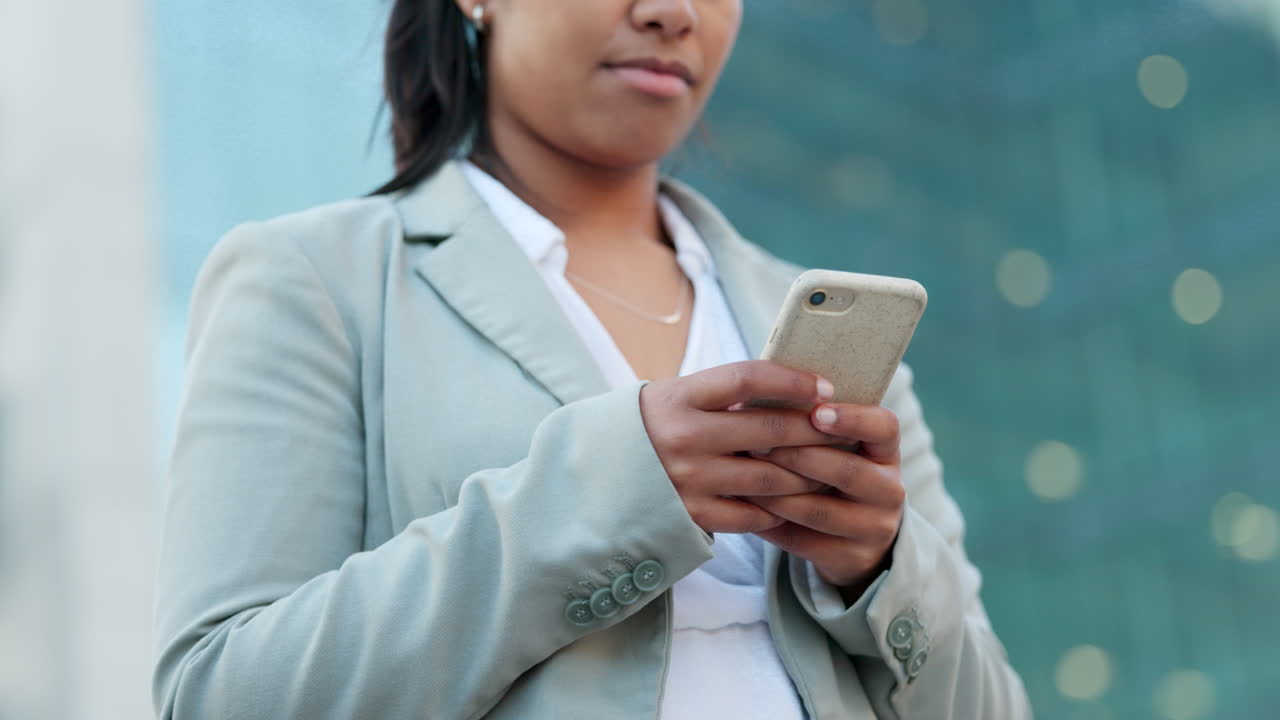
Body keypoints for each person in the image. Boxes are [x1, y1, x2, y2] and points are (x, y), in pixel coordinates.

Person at [152, 0, 1033, 718]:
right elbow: (221, 694)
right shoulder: (318, 281)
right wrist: (612, 493)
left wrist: (879, 566)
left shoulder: (825, 329)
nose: (671, 13)